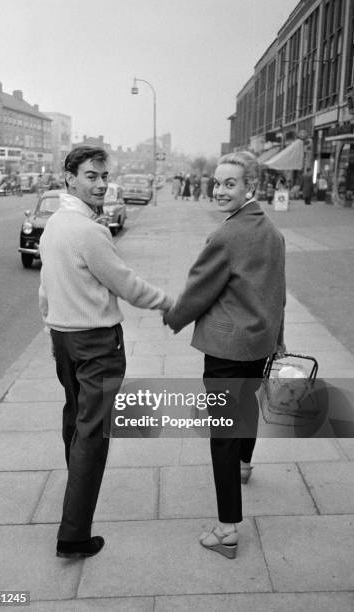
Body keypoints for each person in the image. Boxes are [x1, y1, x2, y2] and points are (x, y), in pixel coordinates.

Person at [39, 146, 173, 559]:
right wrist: (171, 303)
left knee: (75, 422)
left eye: (103, 176)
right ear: (70, 179)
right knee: (93, 434)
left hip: (64, 337)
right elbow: (126, 284)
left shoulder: (54, 224)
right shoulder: (87, 230)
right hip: (96, 344)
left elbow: (45, 288)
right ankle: (74, 534)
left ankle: (74, 490)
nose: (100, 184)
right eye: (91, 176)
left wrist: (52, 326)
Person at [164, 151, 286, 559]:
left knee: (222, 437)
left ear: (249, 186)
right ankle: (245, 465)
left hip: (227, 350)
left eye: (229, 183)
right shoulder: (270, 230)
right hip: (259, 343)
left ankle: (227, 529)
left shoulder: (227, 236)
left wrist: (174, 316)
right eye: (217, 182)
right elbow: (277, 292)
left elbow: (200, 287)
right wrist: (277, 336)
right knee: (247, 410)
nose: (219, 190)